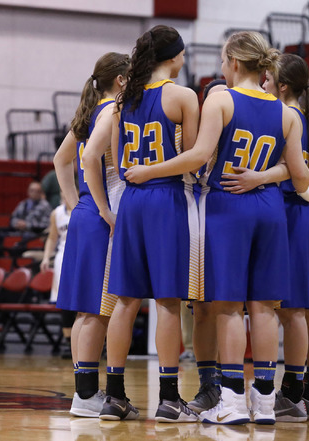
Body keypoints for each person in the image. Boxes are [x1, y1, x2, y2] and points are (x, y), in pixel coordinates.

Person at [124, 31, 309, 425]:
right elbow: (301, 178)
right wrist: (262, 176)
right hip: (270, 208)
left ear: (235, 63)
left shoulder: (220, 98)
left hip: (228, 205)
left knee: (227, 307)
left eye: (224, 61)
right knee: (264, 307)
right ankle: (263, 401)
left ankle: (229, 398)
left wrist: (147, 171)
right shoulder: (287, 113)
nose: (221, 69)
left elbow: (197, 155)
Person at [85, 26, 200, 422]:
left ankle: (114, 396)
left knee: (125, 301)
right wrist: (155, 170)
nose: (184, 61)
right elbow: (194, 157)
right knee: (167, 301)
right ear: (173, 56)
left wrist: (141, 172)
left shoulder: (122, 101)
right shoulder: (183, 96)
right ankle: (169, 398)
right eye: (182, 54)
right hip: (166, 196)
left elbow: (117, 161)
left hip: (132, 201)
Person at [222, 53, 309, 421]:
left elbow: (298, 177)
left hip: (290, 214)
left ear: (282, 85)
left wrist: (256, 177)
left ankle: (292, 393)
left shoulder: (291, 116)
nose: (264, 82)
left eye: (269, 79)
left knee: (293, 312)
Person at [54, 51, 130, 419]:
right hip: (100, 213)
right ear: (120, 80)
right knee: (100, 311)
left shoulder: (87, 114)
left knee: (87, 311)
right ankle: (85, 395)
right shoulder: (112, 111)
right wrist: (100, 207)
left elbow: (59, 160)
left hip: (84, 211)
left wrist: (74, 203)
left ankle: (84, 390)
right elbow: (83, 161)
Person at [187, 78, 229, 415]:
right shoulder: (192, 129)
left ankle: (247, 388)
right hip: (195, 215)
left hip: (230, 215)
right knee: (202, 308)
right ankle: (208, 384)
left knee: (236, 307)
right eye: (213, 97)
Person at [40, 197, 72, 358]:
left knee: (83, 301)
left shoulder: (86, 207)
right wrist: (46, 257)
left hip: (82, 255)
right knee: (65, 302)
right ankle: (68, 343)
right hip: (62, 256)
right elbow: (52, 237)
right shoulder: (57, 213)